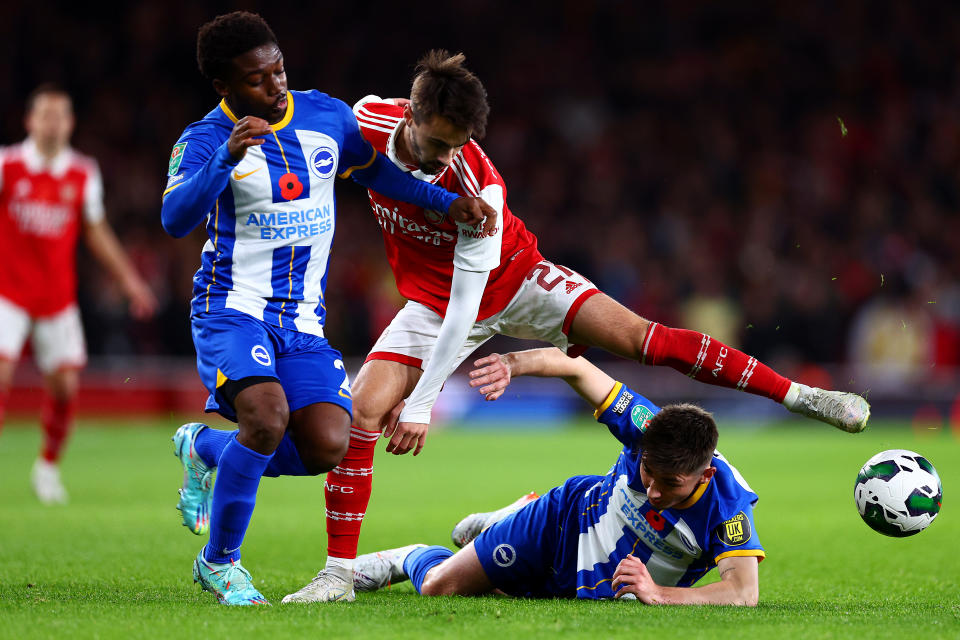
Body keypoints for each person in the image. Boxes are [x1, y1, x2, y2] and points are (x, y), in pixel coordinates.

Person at [282, 50, 867, 603]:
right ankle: (337, 573)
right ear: (409, 115)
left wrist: (421, 404)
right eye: (437, 143)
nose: (444, 159)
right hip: (431, 303)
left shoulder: (478, 185)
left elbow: (470, 305)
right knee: (361, 408)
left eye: (457, 146)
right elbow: (311, 135)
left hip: (516, 280)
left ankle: (801, 395)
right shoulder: (364, 121)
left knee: (644, 339)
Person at [160, 13, 493, 606]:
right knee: (265, 419)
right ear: (225, 87)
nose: (275, 85)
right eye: (257, 79)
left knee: (326, 444)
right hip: (231, 307)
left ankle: (204, 448)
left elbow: (381, 175)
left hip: (301, 319)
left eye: (278, 68)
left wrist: (448, 204)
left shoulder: (326, 116)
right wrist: (224, 161)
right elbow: (175, 218)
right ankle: (221, 562)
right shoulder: (205, 139)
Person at [348, 347, 763, 606]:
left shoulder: (729, 505)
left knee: (503, 596)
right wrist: (512, 363)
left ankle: (497, 525)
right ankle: (407, 557)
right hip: (564, 520)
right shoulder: (645, 424)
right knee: (442, 587)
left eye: (670, 484)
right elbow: (573, 365)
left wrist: (658, 594)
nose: (653, 490)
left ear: (704, 474)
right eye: (647, 472)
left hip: (595, 585)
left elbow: (743, 593)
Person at [0, 84, 157, 505]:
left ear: (70, 123)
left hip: (55, 297)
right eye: (45, 115)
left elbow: (96, 231)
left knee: (67, 387)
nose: (53, 123)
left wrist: (130, 281)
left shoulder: (82, 172)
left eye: (61, 115)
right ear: (29, 121)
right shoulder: (8, 165)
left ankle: (47, 467)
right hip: (8, 293)